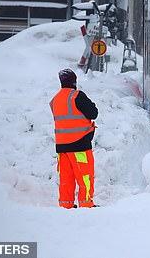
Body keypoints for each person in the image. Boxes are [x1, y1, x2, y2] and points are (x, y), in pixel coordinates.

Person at [49, 69, 98, 208]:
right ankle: (86, 204)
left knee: (66, 178)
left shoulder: (55, 100)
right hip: (80, 145)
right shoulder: (77, 96)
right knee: (85, 177)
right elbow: (93, 113)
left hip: (62, 147)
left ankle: (66, 205)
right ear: (74, 82)